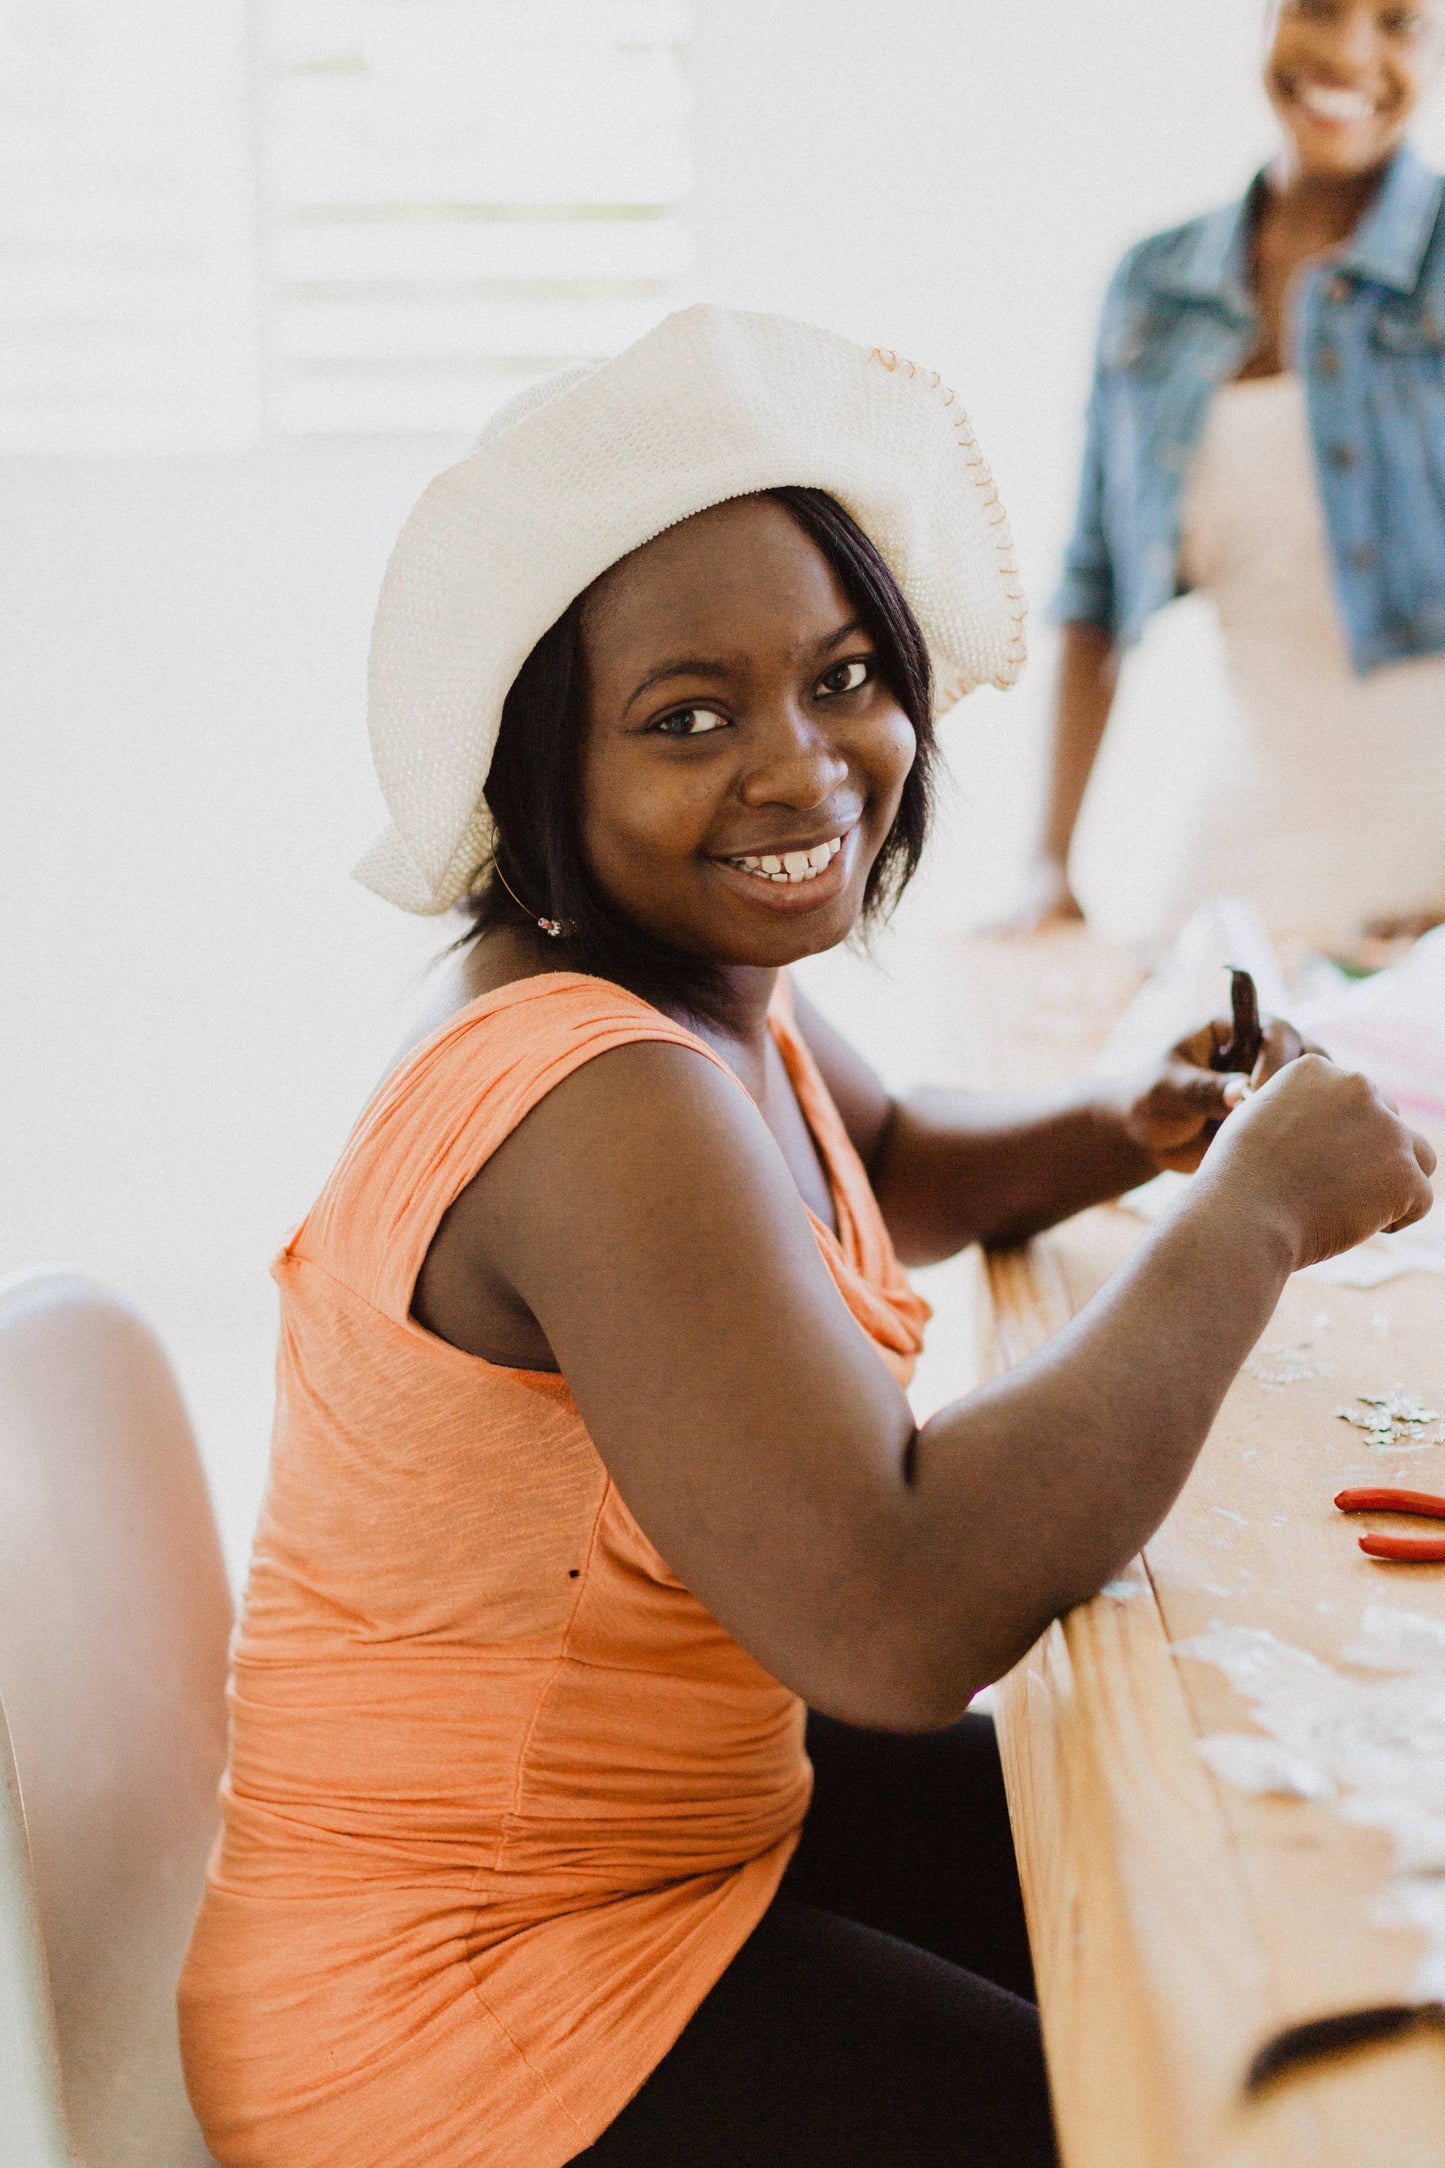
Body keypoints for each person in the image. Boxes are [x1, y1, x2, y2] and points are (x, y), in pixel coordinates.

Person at [177, 306, 1435, 2168]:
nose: (809, 767)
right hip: (467, 2012)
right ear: (538, 766)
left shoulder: (678, 988)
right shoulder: (602, 1095)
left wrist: (1133, 1121)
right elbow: (897, 1610)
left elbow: (898, 1157)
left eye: (847, 674)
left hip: (663, 1836)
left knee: (1194, 1880)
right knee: (1209, 2101)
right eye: (689, 716)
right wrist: (1246, 1217)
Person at [1018, 0, 1445, 949]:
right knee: (1164, 1076)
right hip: (1256, 809)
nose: (1348, 51)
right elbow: (1092, 588)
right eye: (1319, 8)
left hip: (1435, 817)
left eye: (1398, 23)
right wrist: (1048, 865)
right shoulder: (1152, 286)